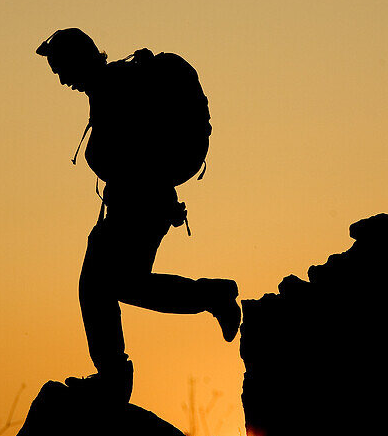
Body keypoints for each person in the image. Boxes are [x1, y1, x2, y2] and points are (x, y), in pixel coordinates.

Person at [37, 28, 241, 403]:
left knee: (98, 286)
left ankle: (115, 375)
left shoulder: (116, 89)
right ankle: (211, 296)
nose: (63, 80)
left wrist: (152, 194)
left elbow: (141, 155)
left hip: (140, 207)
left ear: (79, 59)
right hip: (141, 205)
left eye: (62, 69)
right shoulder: (108, 88)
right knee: (120, 285)